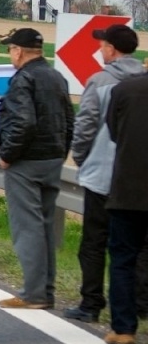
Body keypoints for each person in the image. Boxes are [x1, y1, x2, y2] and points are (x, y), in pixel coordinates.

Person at [63, 25, 145, 322]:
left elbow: (85, 128)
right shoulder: (142, 81)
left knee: (94, 242)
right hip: (136, 178)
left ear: (111, 49)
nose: (99, 51)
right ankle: (136, 305)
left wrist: (82, 160)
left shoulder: (99, 81)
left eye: (102, 46)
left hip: (101, 176)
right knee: (136, 246)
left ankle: (91, 303)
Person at [0, 26, 76, 310]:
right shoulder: (56, 77)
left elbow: (24, 122)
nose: (10, 55)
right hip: (53, 159)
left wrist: (7, 154)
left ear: (18, 51)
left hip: (26, 163)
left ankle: (33, 293)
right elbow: (69, 119)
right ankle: (46, 290)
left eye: (11, 50)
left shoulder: (23, 79)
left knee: (27, 228)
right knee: (45, 227)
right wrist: (61, 151)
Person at [104, 69, 148, 344]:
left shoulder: (123, 90)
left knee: (123, 258)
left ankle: (124, 329)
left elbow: (113, 132)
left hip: (128, 189)